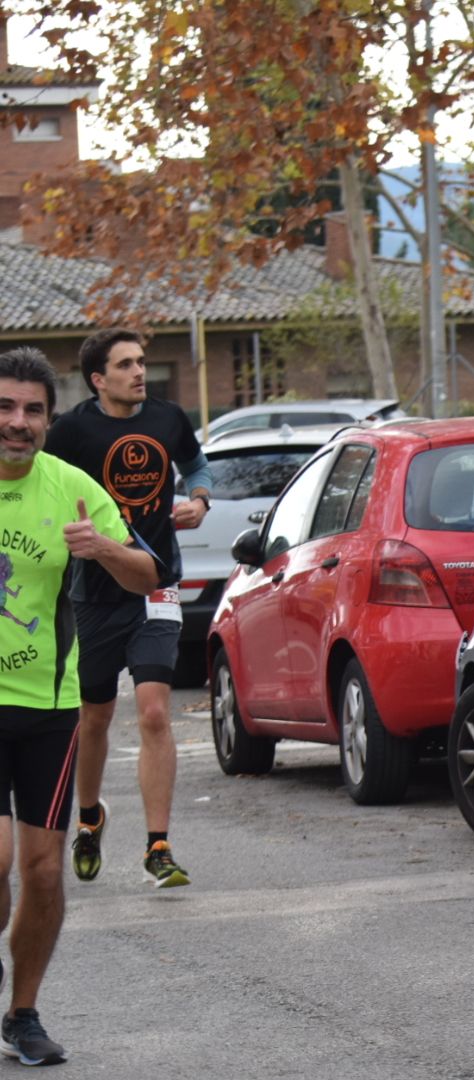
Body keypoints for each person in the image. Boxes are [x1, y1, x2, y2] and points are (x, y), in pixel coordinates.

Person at [0, 346, 159, 1066]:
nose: (18, 422)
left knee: (40, 869)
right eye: (5, 407)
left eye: (32, 410)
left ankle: (23, 1013)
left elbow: (146, 572)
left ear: (49, 418)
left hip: (47, 706)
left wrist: (101, 547)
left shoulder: (72, 487)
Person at [42, 329, 213, 890]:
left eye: (142, 362)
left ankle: (157, 846)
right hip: (91, 595)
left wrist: (199, 500)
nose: (140, 371)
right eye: (126, 364)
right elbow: (42, 490)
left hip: (156, 585)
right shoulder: (70, 431)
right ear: (99, 379)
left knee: (155, 713)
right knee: (94, 718)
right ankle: (89, 819)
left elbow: (198, 466)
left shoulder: (167, 417)